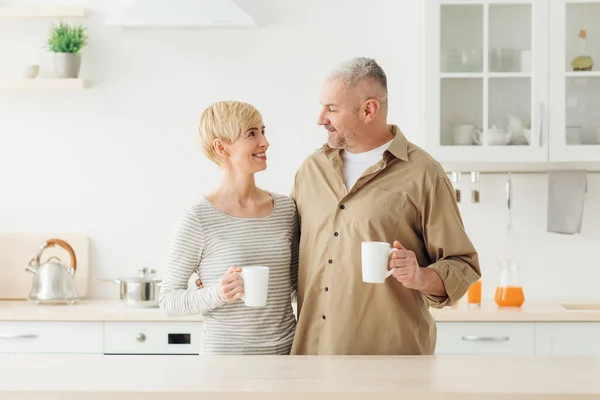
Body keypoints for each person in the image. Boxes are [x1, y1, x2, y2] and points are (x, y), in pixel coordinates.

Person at [289, 57, 481, 355]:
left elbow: (462, 265)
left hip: (391, 360)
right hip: (314, 357)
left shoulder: (424, 174)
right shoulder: (311, 170)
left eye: (332, 109)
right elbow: (292, 255)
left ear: (369, 109)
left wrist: (420, 276)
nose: (320, 118)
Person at [159, 100, 298, 355]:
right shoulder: (199, 217)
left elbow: (298, 285)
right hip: (225, 360)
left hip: (286, 354)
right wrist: (218, 293)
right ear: (221, 147)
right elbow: (168, 300)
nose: (265, 142)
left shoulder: (286, 210)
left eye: (263, 131)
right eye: (251, 134)